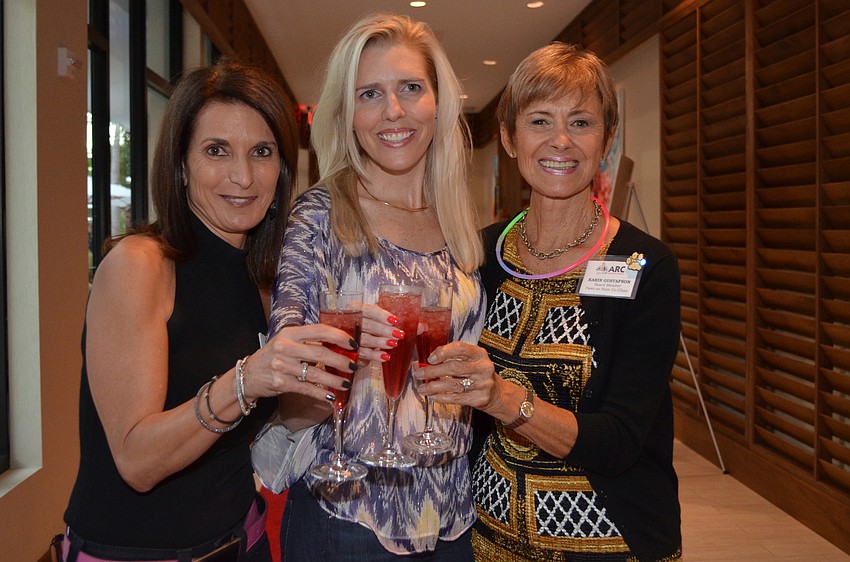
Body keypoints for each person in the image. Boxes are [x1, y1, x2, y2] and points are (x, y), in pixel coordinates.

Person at [61, 60, 359, 562]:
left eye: (261, 152)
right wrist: (248, 379)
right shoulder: (139, 265)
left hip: (246, 541)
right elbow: (138, 461)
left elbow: (272, 424)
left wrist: (343, 374)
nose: (242, 176)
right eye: (216, 150)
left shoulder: (265, 279)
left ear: (283, 169)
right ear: (181, 164)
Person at [416, 43, 683, 561]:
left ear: (606, 141)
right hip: (489, 537)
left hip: (611, 541)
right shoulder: (479, 253)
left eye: (581, 122)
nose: (561, 141)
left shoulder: (643, 266)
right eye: (540, 121)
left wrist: (501, 398)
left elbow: (621, 440)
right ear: (510, 138)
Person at [252, 13, 486, 561]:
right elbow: (286, 397)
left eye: (410, 88)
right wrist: (343, 361)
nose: (394, 111)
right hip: (349, 520)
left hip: (452, 515)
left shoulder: (457, 222)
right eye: (370, 94)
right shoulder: (320, 217)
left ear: (438, 101)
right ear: (346, 114)